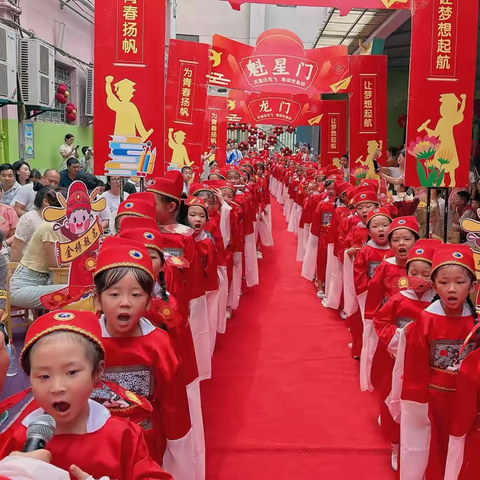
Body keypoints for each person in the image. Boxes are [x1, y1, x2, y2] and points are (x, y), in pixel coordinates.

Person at [0, 310, 173, 479]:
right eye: (44, 376)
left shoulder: (123, 437)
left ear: (97, 373)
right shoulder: (17, 438)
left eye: (72, 372)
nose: (57, 387)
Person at [90, 236, 195, 479]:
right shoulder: (85, 340)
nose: (124, 303)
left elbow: (173, 402)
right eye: (114, 294)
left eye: (136, 295)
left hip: (146, 440)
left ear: (148, 301)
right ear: (98, 299)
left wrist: (179, 446)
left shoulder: (158, 342)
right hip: (95, 437)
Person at [399, 244, 478, 480]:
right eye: (444, 283)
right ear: (434, 286)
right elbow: (414, 368)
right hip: (433, 400)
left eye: (460, 282)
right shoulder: (426, 319)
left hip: (467, 403)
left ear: (473, 286)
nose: (451, 289)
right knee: (434, 448)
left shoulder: (476, 320)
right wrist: (418, 406)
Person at [373, 239, 440, 471]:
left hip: (427, 367)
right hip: (397, 360)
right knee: (394, 396)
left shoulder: (438, 304)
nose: (419, 279)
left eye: (426, 273)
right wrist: (401, 339)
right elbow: (381, 322)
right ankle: (395, 444)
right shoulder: (399, 299)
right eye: (413, 272)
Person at [362, 216, 419, 392]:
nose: (401, 243)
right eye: (396, 240)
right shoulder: (386, 265)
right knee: (389, 362)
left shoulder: (423, 268)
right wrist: (371, 317)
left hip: (415, 323)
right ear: (390, 244)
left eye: (407, 239)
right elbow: (375, 291)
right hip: (391, 324)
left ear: (417, 242)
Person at [9, 210, 68, 309]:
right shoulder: (50, 227)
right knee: (68, 293)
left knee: (71, 292)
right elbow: (55, 263)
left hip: (44, 281)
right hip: (20, 288)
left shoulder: (67, 229)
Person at [11, 185, 63, 262]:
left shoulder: (60, 220)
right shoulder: (29, 219)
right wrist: (14, 270)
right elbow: (16, 248)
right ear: (46, 202)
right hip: (29, 268)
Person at [0, 189, 18, 254]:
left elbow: (17, 234)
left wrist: (4, 243)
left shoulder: (9, 211)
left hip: (5, 248)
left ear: (1, 193)